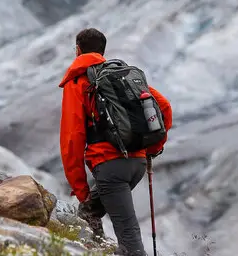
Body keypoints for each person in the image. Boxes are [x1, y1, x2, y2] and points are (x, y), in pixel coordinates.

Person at [59, 28, 173, 256]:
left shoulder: (80, 82)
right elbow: (164, 107)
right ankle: (95, 250)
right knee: (88, 213)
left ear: (78, 50)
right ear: (103, 51)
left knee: (129, 239)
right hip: (137, 163)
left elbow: (72, 139)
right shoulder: (121, 76)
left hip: (109, 166)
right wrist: (150, 148)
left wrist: (80, 188)